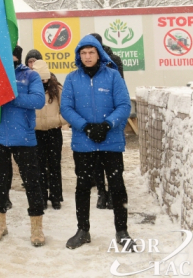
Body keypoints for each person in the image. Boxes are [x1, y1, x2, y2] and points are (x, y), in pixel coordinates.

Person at [61, 34, 134, 251]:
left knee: (117, 187)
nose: (87, 56)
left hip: (110, 142)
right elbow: (66, 108)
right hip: (84, 143)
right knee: (83, 187)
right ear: (78, 56)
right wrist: (86, 127)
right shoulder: (72, 79)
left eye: (91, 52)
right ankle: (83, 230)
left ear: (98, 54)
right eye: (83, 53)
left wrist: (107, 125)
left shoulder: (112, 76)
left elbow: (123, 105)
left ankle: (122, 231)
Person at [0, 46, 47, 246]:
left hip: (24, 137)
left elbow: (38, 100)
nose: (10, 58)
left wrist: (11, 95)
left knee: (32, 183)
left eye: (13, 55)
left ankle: (37, 228)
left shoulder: (30, 75)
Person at [89, 32, 125, 210]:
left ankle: (113, 192)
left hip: (111, 116)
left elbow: (121, 87)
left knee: (113, 159)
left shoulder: (113, 60)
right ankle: (101, 192)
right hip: (93, 117)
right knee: (96, 160)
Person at [31, 60, 65, 210]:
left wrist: (58, 120)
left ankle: (56, 196)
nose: (43, 82)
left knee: (54, 165)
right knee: (39, 166)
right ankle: (42, 196)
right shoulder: (29, 89)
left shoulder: (57, 89)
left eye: (45, 79)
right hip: (36, 132)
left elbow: (66, 109)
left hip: (53, 132)